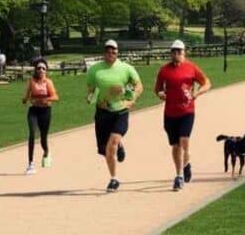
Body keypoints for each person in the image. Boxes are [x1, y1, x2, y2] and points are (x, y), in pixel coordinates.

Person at [86, 39, 143, 192]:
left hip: (120, 112)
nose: (111, 54)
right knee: (104, 150)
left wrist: (131, 100)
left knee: (111, 145)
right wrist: (95, 101)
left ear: (117, 52)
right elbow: (90, 92)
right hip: (102, 113)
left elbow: (139, 86)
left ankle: (114, 179)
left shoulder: (126, 68)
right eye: (108, 51)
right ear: (104, 52)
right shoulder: (95, 70)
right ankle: (119, 146)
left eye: (114, 51)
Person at [154, 40, 210, 191]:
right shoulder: (164, 70)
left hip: (187, 111)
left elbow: (206, 82)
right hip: (170, 112)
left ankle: (178, 177)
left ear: (184, 53)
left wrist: (198, 92)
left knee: (184, 140)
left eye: (179, 52)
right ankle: (184, 165)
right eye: (174, 51)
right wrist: (160, 94)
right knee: (175, 145)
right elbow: (158, 88)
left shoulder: (191, 68)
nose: (176, 54)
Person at [22, 59, 58, 174]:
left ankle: (47, 151)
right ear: (35, 70)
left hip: (45, 111)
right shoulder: (32, 81)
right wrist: (25, 99)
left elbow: (55, 97)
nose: (41, 70)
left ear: (46, 71)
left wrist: (45, 99)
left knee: (43, 138)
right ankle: (30, 164)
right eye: (39, 68)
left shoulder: (48, 82)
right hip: (34, 111)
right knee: (32, 133)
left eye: (43, 68)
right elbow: (27, 96)